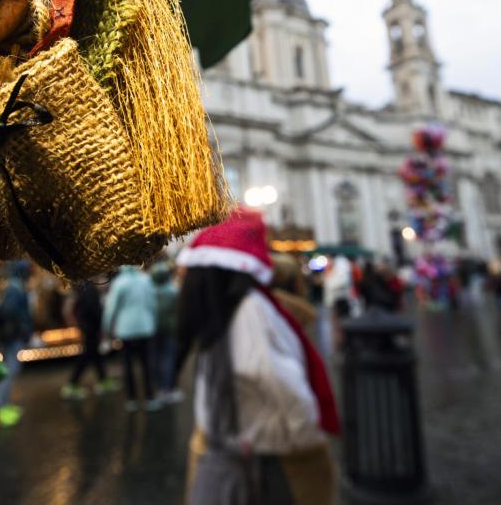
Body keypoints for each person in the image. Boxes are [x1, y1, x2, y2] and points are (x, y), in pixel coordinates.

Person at [178, 210, 340, 505]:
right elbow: (274, 378)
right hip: (261, 455)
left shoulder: (231, 310)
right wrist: (307, 438)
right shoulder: (248, 308)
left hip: (240, 449)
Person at [103, 264, 160, 411]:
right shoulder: (145, 280)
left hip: (126, 329)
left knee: (127, 364)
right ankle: (150, 397)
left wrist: (107, 328)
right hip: (145, 326)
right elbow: (153, 303)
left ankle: (131, 398)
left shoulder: (119, 282)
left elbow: (111, 308)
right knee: (147, 363)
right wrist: (154, 321)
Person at [0, 262, 34, 426]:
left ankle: (4, 405)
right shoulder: (15, 289)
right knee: (9, 371)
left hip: (9, 336)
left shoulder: (11, 287)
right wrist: (21, 327)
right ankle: (0, 407)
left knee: (9, 369)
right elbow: (11, 311)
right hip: (12, 336)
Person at [62, 281, 117, 399]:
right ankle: (72, 385)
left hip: (87, 327)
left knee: (95, 354)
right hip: (91, 328)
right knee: (87, 355)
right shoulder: (90, 290)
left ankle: (103, 380)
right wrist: (101, 325)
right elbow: (94, 310)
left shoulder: (83, 288)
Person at [150, 261, 182, 402]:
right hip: (170, 329)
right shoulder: (173, 291)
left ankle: (158, 388)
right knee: (168, 358)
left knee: (156, 358)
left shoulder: (150, 291)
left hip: (153, 328)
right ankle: (168, 388)